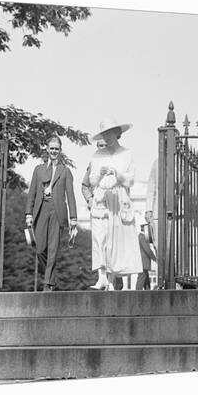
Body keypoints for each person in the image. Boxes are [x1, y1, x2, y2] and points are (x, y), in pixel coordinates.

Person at [84, 118, 143, 290]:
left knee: (116, 240)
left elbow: (130, 180)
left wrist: (118, 175)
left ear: (117, 133)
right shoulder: (97, 155)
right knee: (99, 237)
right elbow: (92, 180)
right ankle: (101, 276)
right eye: (104, 134)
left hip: (118, 198)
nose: (107, 137)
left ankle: (112, 278)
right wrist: (101, 175)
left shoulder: (127, 153)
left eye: (110, 133)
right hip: (101, 199)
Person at [25, 136, 77, 291]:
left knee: (53, 248)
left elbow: (71, 195)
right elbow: (32, 193)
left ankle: (48, 283)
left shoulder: (65, 171)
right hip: (41, 210)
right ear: (47, 149)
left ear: (60, 151)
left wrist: (73, 218)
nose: (54, 151)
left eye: (57, 148)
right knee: (40, 249)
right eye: (51, 148)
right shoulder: (38, 169)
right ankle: (52, 277)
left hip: (57, 212)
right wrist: (28, 214)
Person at [136, 224, 157, 290]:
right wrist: (154, 258)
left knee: (146, 278)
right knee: (141, 278)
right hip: (143, 262)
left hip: (143, 262)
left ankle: (148, 292)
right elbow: (147, 249)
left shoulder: (142, 236)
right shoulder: (142, 236)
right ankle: (137, 294)